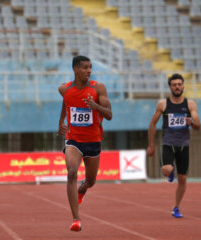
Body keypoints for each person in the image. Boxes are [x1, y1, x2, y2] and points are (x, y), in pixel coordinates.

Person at [58, 56, 112, 231]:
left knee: (91, 180)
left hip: (93, 141)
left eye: (90, 67)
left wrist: (95, 106)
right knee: (71, 172)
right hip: (73, 140)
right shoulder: (64, 89)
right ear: (75, 69)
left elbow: (109, 114)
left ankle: (83, 188)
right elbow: (66, 103)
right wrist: (61, 122)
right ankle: (76, 219)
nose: (89, 71)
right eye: (85, 68)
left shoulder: (98, 88)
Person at [147, 73, 201, 218]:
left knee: (182, 179)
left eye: (179, 84)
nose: (177, 87)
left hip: (184, 145)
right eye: (174, 85)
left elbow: (198, 125)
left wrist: (192, 123)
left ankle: (176, 207)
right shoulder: (163, 104)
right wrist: (151, 145)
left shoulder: (190, 104)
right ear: (170, 87)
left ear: (183, 86)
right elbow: (152, 123)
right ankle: (170, 172)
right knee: (166, 169)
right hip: (168, 143)